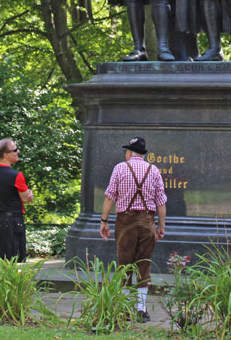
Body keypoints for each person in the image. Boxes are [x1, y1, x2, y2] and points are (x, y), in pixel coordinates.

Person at [100, 137, 167, 322]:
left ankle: (123, 306)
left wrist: (103, 221)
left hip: (125, 221)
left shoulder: (120, 168)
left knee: (124, 263)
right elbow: (161, 202)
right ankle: (141, 309)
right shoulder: (153, 170)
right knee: (143, 263)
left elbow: (109, 197)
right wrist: (161, 226)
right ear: (142, 154)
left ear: (129, 153)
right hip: (147, 221)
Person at [0, 138, 33, 262]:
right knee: (15, 259)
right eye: (14, 150)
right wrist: (30, 193)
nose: (18, 151)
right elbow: (26, 197)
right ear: (5, 154)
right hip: (13, 223)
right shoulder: (16, 175)